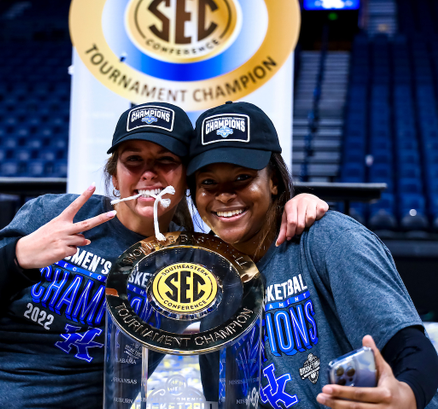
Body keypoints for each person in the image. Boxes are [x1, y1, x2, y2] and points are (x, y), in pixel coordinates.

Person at [0, 101, 328, 408]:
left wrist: (294, 204)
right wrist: (16, 258)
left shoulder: (193, 263)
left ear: (186, 180)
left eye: (165, 162)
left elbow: (223, 371)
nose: (148, 174)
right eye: (133, 161)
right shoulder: (52, 214)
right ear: (115, 173)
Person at [186, 101, 438, 409]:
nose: (224, 194)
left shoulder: (330, 241)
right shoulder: (207, 274)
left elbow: (413, 349)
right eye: (208, 182)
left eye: (242, 177)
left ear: (274, 181)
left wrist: (406, 396)